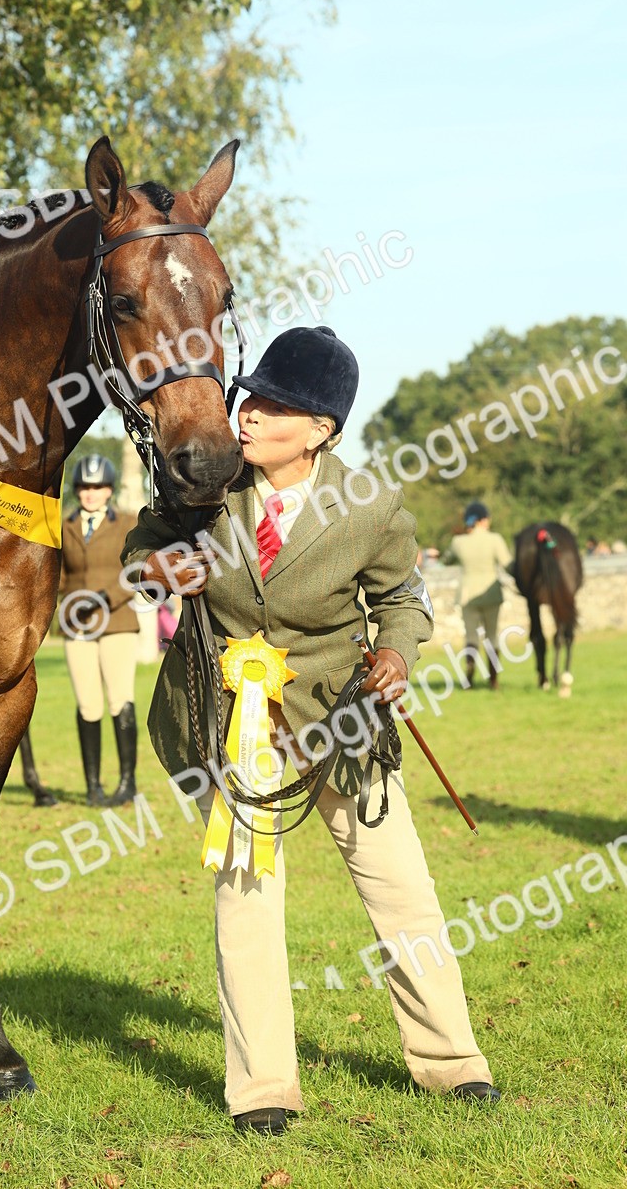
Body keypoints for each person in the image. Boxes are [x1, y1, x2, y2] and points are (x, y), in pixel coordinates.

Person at [122, 325, 499, 1136]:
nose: (248, 414)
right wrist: (155, 570)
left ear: (322, 429)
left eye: (274, 405)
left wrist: (396, 657)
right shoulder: (202, 482)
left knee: (403, 893)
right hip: (230, 727)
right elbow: (139, 548)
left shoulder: (370, 506)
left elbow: (402, 599)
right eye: (249, 396)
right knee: (246, 902)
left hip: (343, 722)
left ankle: (453, 1062)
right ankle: (263, 1087)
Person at [60, 454, 140, 807]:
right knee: (87, 704)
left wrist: (107, 597)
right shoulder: (64, 525)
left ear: (109, 489)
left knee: (119, 699)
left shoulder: (127, 522)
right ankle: (93, 785)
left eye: (97, 487)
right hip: (78, 626)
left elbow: (138, 570)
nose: (90, 493)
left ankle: (128, 782)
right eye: (85, 487)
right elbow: (58, 574)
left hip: (118, 622)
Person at [444, 503, 512, 689]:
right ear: (482, 520)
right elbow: (508, 564)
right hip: (491, 594)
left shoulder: (458, 542)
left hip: (467, 594)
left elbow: (446, 559)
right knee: (492, 636)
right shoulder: (495, 539)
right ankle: (493, 679)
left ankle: (469, 676)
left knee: (471, 637)